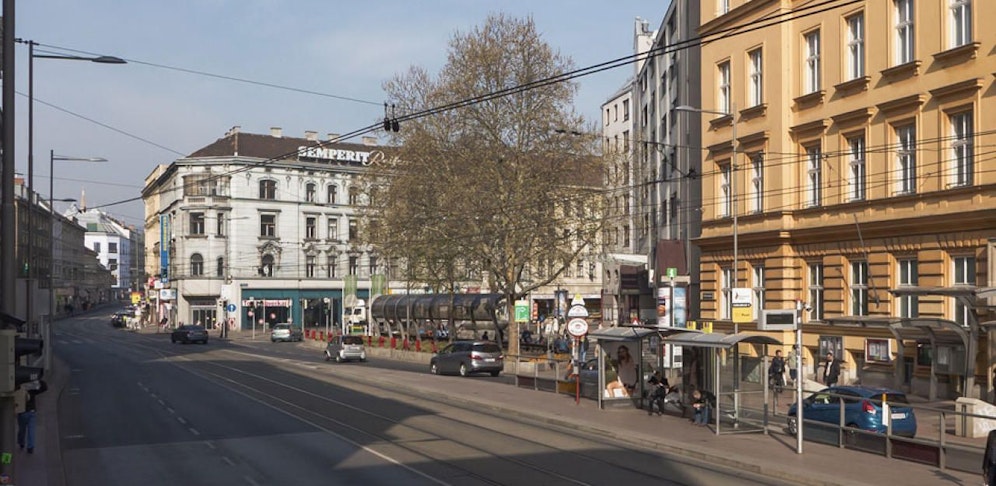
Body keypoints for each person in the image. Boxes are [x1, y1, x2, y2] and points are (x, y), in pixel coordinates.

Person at [16, 379, 48, 454]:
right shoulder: (32, 390)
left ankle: (21, 443)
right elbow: (44, 387)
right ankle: (30, 447)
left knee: (22, 430)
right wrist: (39, 379)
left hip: (22, 412)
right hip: (32, 411)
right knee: (31, 430)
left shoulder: (19, 391)